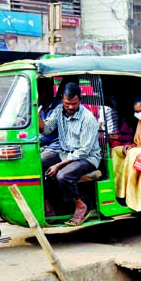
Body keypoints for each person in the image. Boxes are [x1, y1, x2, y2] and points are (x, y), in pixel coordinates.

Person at [39, 82, 102, 226]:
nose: (71, 107)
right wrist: (36, 113)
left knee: (63, 176)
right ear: (62, 99)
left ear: (80, 100)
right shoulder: (58, 111)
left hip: (87, 158)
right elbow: (46, 129)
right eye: (67, 103)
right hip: (66, 154)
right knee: (39, 163)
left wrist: (58, 165)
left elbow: (83, 151)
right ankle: (48, 204)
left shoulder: (88, 119)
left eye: (74, 103)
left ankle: (80, 205)